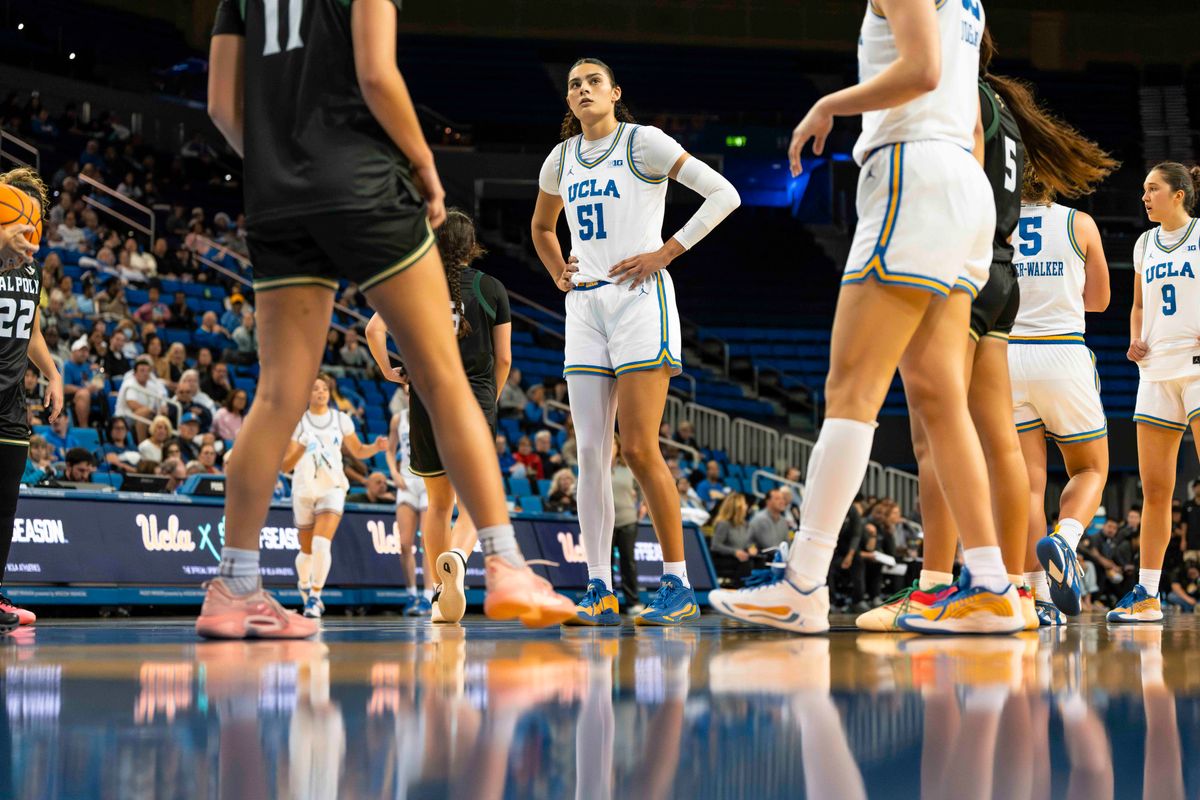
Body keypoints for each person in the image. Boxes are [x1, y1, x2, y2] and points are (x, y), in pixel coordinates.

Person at [204, 0, 570, 639]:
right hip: (362, 184)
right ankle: (506, 565)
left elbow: (219, 105)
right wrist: (425, 166)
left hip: (274, 196)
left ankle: (235, 587)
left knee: (276, 394)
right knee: (442, 374)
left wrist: (279, 170)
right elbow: (376, 74)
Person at [710, 0, 1020, 635]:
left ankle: (802, 584)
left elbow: (922, 70)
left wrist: (829, 105)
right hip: (964, 188)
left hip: (912, 173)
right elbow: (964, 113)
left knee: (851, 390)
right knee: (940, 401)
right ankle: (991, 586)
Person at [532, 57, 740, 626]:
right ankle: (598, 586)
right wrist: (557, 271)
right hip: (585, 306)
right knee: (591, 455)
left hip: (638, 299)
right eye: (573, 84)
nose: (582, 90)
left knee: (642, 448)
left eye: (593, 81)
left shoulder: (642, 142)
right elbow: (541, 227)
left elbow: (724, 195)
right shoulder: (561, 158)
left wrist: (666, 252)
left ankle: (676, 584)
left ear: (615, 92)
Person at [364, 208, 543, 625]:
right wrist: (490, 401)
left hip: (426, 398)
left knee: (438, 505)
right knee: (471, 503)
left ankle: (440, 595)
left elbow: (375, 331)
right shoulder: (491, 288)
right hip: (474, 399)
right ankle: (458, 560)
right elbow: (504, 358)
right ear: (471, 245)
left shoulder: (414, 282)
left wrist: (389, 371)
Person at [1113, 162, 1200, 624]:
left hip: (1197, 365)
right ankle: (1147, 595)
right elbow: (1140, 303)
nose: (1144, 197)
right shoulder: (1144, 243)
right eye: (1144, 189)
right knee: (1156, 491)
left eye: (1153, 189)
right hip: (1156, 369)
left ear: (1179, 194)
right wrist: (1134, 337)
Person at [0, 169, 62, 630]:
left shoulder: (30, 265)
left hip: (11, 404)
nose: (29, 228)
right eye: (21, 217)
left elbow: (32, 327)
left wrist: (53, 374)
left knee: (4, 507)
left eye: (35, 220)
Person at [283, 375, 386, 620]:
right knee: (306, 552)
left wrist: (375, 447)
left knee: (321, 544)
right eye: (315, 388)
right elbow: (285, 466)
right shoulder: (297, 423)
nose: (321, 392)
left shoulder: (341, 420)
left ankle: (316, 596)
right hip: (304, 488)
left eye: (324, 388)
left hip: (333, 487)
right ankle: (305, 587)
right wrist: (300, 448)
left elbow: (358, 450)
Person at [385, 389, 432, 616]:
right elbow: (389, 450)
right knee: (404, 544)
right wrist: (393, 472)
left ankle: (428, 596)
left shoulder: (432, 412)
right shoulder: (399, 418)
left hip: (427, 480)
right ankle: (411, 593)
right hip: (406, 481)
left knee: (427, 543)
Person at [610, 435, 642, 613]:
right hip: (605, 522)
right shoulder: (596, 466)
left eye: (613, 443)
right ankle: (608, 601)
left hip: (628, 519)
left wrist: (643, 505)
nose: (610, 446)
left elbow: (643, 488)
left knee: (628, 562)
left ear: (618, 446)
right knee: (604, 563)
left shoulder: (628, 469)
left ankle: (633, 602)